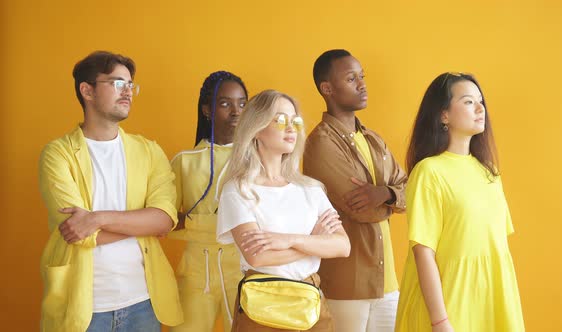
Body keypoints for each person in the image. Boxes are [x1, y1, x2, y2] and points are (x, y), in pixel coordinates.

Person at [38, 51, 182, 332]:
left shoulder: (149, 151)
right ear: (87, 90)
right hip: (85, 308)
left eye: (131, 85)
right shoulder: (58, 154)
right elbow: (76, 232)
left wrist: (97, 218)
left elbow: (165, 219)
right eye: (118, 83)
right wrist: (144, 224)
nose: (128, 91)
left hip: (144, 302)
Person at [394, 72, 525, 332]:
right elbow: (423, 252)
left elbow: (496, 249)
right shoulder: (429, 171)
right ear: (444, 115)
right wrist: (440, 321)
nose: (480, 109)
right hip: (450, 303)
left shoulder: (489, 172)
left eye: (481, 102)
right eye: (468, 102)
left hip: (492, 298)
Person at [216, 90, 351, 331]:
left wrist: (288, 240)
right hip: (260, 307)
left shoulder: (311, 188)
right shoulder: (237, 190)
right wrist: (314, 242)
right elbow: (258, 257)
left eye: (295, 121)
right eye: (280, 120)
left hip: (311, 305)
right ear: (255, 128)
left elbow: (342, 246)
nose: (291, 128)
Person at [303, 49, 407, 331]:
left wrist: (384, 193)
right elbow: (362, 211)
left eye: (362, 76)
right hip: (347, 285)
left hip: (386, 282)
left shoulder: (373, 139)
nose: (362, 84)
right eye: (352, 78)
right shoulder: (321, 144)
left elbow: (410, 191)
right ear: (327, 89)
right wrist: (390, 196)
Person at [169, 71, 248, 332]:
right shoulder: (185, 161)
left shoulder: (257, 161)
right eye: (225, 103)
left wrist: (195, 223)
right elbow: (165, 219)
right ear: (207, 110)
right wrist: (216, 226)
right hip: (196, 273)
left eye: (242, 103)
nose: (236, 111)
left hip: (244, 272)